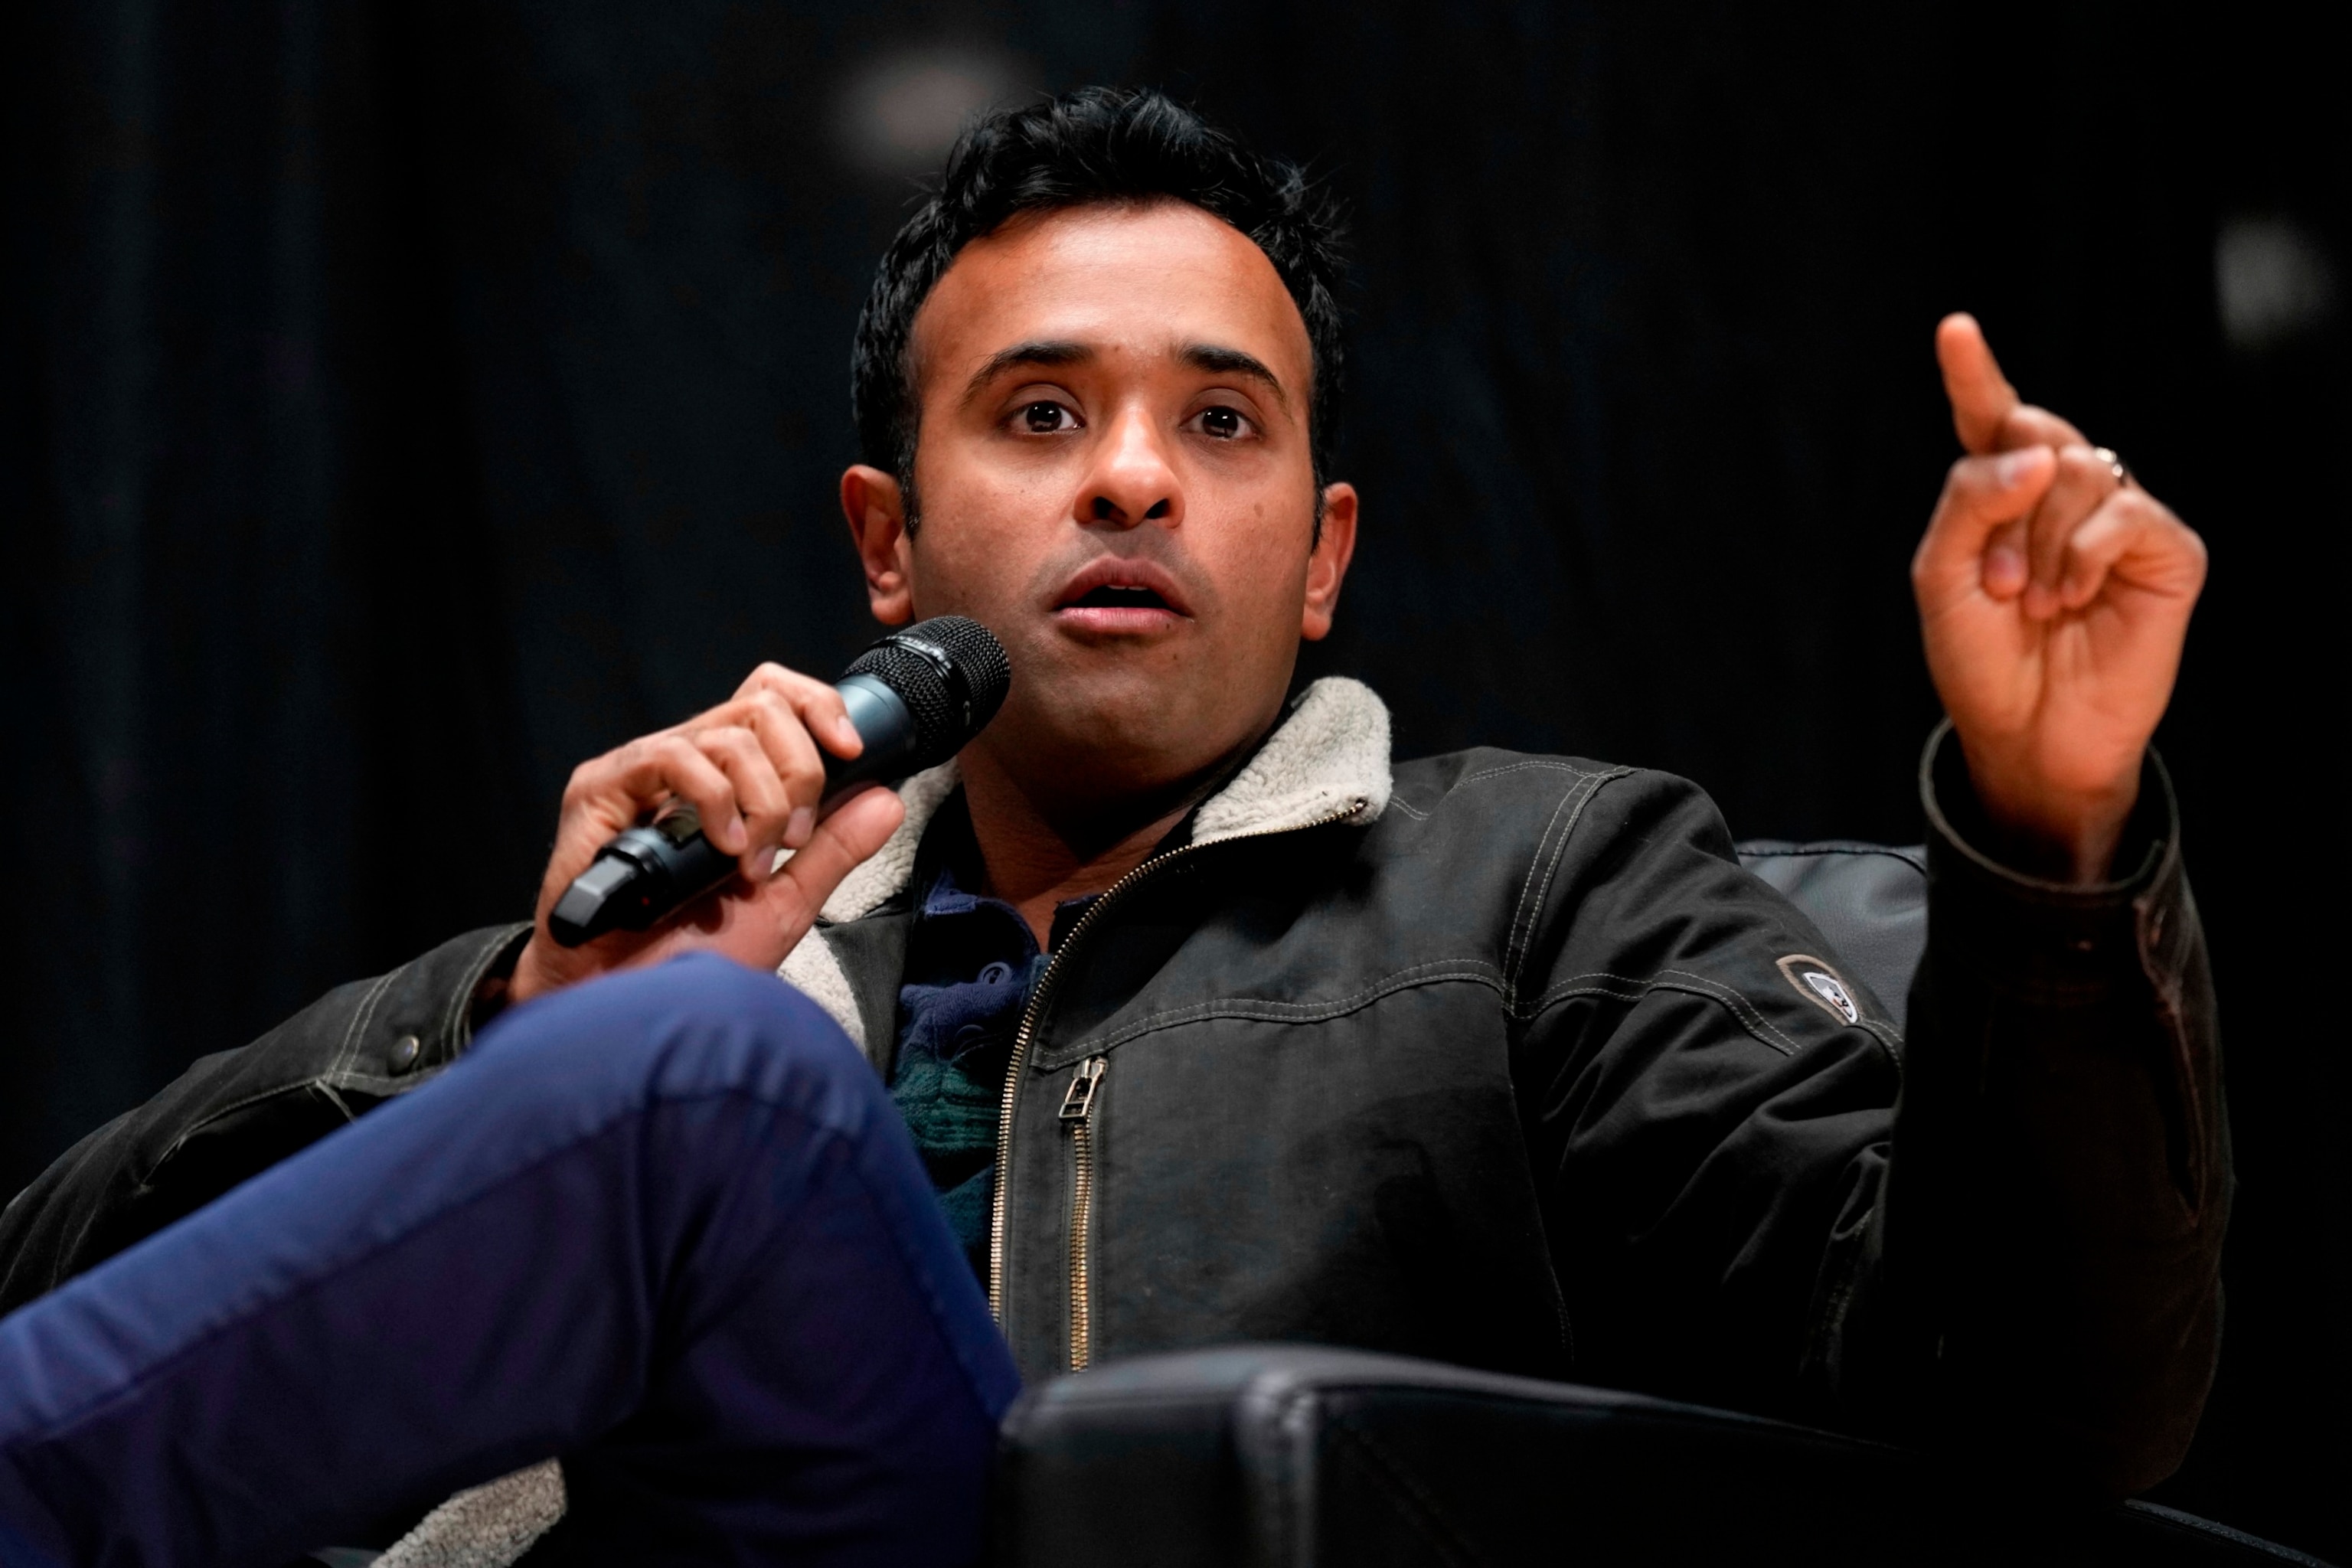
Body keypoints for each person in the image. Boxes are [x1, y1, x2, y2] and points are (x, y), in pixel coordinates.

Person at [0, 87, 2221, 1565]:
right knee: (698, 1051)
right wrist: (521, 1009)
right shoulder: (706, 944)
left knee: (726, 1086)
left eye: (1220, 421)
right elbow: (59, 1285)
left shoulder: (1542, 887)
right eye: (1042, 411)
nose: (1134, 478)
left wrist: (2050, 834)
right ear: (889, 544)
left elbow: (2040, 1424)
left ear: (1323, 552)